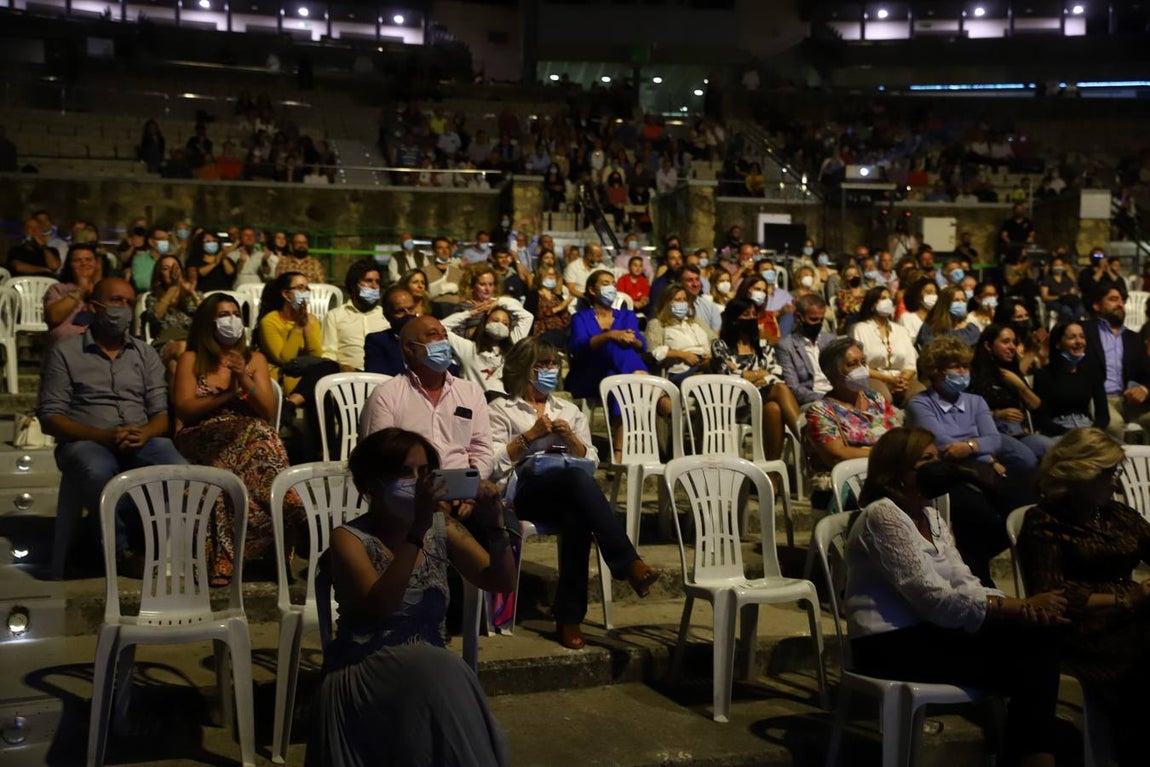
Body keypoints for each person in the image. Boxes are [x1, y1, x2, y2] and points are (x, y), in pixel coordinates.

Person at [844, 427, 1066, 767]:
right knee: (1030, 659)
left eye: (938, 457)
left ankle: (1031, 753)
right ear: (898, 471)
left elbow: (964, 583)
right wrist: (1014, 607)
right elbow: (934, 600)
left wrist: (1017, 610)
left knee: (1039, 636)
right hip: (888, 644)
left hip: (932, 632)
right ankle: (1035, 755)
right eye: (926, 460)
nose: (938, 466)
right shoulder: (882, 515)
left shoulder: (931, 516)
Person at [309, 427, 514, 767]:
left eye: (424, 473)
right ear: (373, 482)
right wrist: (416, 530)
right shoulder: (349, 539)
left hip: (428, 675)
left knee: (440, 666)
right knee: (444, 667)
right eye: (405, 473)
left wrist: (494, 524)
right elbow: (382, 605)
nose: (418, 482)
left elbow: (499, 582)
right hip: (365, 669)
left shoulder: (442, 526)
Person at [489, 338, 660, 649]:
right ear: (525, 370)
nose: (551, 370)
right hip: (524, 494)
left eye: (554, 364)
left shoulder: (567, 409)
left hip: (566, 492)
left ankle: (570, 617)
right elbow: (490, 463)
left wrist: (571, 440)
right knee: (576, 487)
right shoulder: (501, 409)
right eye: (543, 365)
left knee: (577, 512)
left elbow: (590, 460)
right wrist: (529, 437)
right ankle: (626, 563)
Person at [1018, 427, 1150, 767]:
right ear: (1082, 472)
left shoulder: (1115, 515)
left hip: (1132, 615)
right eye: (1108, 473)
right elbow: (1051, 594)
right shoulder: (1044, 521)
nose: (1115, 482)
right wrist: (1126, 599)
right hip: (1084, 628)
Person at [36, 278, 188, 571]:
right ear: (95, 307)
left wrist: (145, 432)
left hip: (139, 438)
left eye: (129, 302)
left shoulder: (145, 354)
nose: (124, 308)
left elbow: (161, 414)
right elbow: (50, 418)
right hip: (85, 440)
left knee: (176, 466)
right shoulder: (66, 353)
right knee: (98, 470)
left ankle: (158, 541)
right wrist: (103, 435)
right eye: (117, 301)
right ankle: (119, 548)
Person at [173, 294, 302, 585]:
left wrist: (243, 378)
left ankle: (251, 551)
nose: (230, 320)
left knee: (255, 438)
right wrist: (228, 395)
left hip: (248, 438)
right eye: (222, 314)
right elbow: (185, 409)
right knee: (256, 435)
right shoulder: (191, 359)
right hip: (202, 433)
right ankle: (289, 503)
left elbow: (268, 410)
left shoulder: (254, 359)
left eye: (235, 313)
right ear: (208, 322)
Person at [906, 336, 1040, 583]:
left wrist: (970, 446)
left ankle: (979, 567)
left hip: (981, 470)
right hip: (944, 478)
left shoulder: (976, 401)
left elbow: (994, 439)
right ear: (936, 371)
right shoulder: (920, 404)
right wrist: (984, 453)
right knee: (980, 515)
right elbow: (943, 445)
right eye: (956, 366)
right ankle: (975, 573)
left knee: (1028, 506)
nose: (963, 372)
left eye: (965, 366)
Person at [358, 315, 494, 481]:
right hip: (410, 494)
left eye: (445, 335)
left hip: (463, 490)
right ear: (410, 348)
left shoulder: (471, 392)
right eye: (433, 335)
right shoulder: (386, 395)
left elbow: (482, 449)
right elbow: (380, 459)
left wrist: (473, 486)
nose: (443, 341)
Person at [804, 338, 900, 510]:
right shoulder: (821, 411)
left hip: (885, 479)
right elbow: (838, 455)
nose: (861, 370)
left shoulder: (877, 400)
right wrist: (884, 454)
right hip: (843, 486)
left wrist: (864, 452)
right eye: (852, 364)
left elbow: (899, 442)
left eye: (863, 362)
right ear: (831, 373)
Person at [712, 298, 801, 463]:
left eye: (754, 314)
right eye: (746, 314)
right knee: (780, 389)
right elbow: (726, 375)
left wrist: (748, 374)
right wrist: (761, 373)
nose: (752, 318)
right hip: (737, 403)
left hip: (763, 400)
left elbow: (777, 371)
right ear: (734, 319)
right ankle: (808, 442)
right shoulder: (721, 345)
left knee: (773, 409)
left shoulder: (763, 345)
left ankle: (771, 475)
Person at [257, 271, 339, 414]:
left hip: (309, 377)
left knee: (327, 370)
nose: (305, 292)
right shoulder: (270, 321)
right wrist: (298, 327)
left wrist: (306, 324)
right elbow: (284, 359)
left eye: (307, 289)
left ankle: (292, 404)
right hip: (285, 377)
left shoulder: (311, 320)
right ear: (286, 294)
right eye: (300, 288)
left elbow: (317, 355)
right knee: (322, 382)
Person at [969, 323, 1054, 459]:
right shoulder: (973, 375)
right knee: (1027, 458)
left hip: (1018, 432)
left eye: (1014, 342)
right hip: (991, 433)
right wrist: (996, 414)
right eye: (1005, 342)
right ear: (988, 346)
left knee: (1052, 449)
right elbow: (967, 414)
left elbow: (1038, 407)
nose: (1012, 347)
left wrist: (1020, 386)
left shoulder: (1012, 372)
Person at [564, 270, 647, 404]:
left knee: (616, 381)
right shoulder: (580, 318)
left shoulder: (627, 315)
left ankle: (619, 425)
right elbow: (579, 347)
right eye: (605, 283)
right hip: (588, 376)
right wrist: (610, 335)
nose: (612, 288)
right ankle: (647, 384)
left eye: (614, 284)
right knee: (612, 345)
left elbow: (641, 345)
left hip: (615, 376)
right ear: (592, 290)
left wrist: (631, 339)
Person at [1082, 286, 1150, 439]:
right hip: (1099, 398)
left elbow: (1147, 372)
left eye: (1122, 300)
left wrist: (1144, 389)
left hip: (1128, 400)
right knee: (1114, 426)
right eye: (1113, 299)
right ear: (1097, 306)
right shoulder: (1083, 332)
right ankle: (1123, 463)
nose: (1120, 304)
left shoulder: (1133, 338)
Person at [442, 300, 533, 397]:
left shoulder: (513, 346)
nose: (499, 325)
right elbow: (441, 327)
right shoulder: (468, 348)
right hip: (474, 403)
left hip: (502, 407)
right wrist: (470, 313)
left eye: (505, 324)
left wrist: (499, 301)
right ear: (484, 323)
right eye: (495, 320)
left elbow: (527, 317)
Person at [1032, 321, 1108, 437]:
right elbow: (1042, 420)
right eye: (1072, 337)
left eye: (1082, 337)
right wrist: (1071, 434)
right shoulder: (1043, 375)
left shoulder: (1092, 373)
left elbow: (1103, 416)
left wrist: (1091, 433)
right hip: (1059, 432)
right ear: (1058, 344)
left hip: (1088, 429)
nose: (1079, 342)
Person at [850, 286, 918, 406]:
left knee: (918, 393)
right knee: (883, 396)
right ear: (872, 304)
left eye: (889, 298)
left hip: (900, 378)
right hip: (873, 377)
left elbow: (910, 364)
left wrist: (901, 380)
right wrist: (889, 379)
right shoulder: (860, 329)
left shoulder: (901, 330)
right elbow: (858, 366)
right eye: (882, 298)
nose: (888, 301)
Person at [321, 260, 388, 372]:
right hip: (347, 378)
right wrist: (341, 368)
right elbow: (328, 355)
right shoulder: (335, 316)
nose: (374, 286)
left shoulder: (386, 316)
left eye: (377, 282)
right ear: (353, 286)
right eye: (368, 281)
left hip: (382, 378)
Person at [644, 284, 713, 386]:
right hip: (680, 372)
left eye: (684, 300)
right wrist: (682, 355)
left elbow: (714, 341)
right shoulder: (657, 324)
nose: (682, 303)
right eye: (677, 300)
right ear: (667, 303)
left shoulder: (696, 322)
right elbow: (653, 353)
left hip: (706, 365)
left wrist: (710, 356)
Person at [144, 254, 201, 371]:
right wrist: (174, 287)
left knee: (173, 367)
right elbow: (155, 317)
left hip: (192, 343)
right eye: (166, 268)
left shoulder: (192, 297)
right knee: (181, 347)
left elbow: (208, 317)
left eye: (175, 268)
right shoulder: (153, 298)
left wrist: (193, 293)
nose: (171, 272)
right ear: (159, 274)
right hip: (165, 344)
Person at [776, 293, 835, 405]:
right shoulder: (786, 346)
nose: (818, 323)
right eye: (813, 319)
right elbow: (794, 387)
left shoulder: (830, 340)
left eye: (821, 320)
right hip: (812, 400)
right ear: (798, 317)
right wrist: (825, 399)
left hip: (836, 395)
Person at [44, 243, 102, 345]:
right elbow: (53, 317)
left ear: (96, 264)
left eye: (88, 260)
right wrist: (80, 290)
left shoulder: (106, 289)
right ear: (70, 265)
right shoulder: (58, 289)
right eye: (77, 260)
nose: (84, 264)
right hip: (66, 344)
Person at [916, 285, 981, 347]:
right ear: (945, 304)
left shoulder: (971, 330)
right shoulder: (931, 328)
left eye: (963, 300)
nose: (961, 303)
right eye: (956, 300)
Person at [524, 263, 571, 347]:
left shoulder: (558, 297)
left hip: (561, 333)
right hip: (542, 334)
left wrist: (565, 309)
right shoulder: (533, 295)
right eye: (549, 274)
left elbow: (566, 321)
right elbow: (533, 315)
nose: (552, 277)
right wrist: (558, 308)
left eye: (554, 275)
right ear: (541, 276)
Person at [1038, 254, 1083, 326]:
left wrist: (1069, 294)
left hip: (1067, 301)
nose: (1058, 267)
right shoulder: (1047, 280)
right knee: (1066, 310)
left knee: (1080, 310)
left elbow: (1073, 291)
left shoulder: (1067, 279)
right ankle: (1064, 327)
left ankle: (1073, 325)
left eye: (1060, 265)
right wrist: (1059, 297)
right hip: (1054, 302)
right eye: (1056, 265)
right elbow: (1044, 297)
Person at [898, 276, 937, 342]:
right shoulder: (907, 317)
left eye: (935, 292)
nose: (933, 295)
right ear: (917, 295)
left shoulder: (939, 317)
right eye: (928, 292)